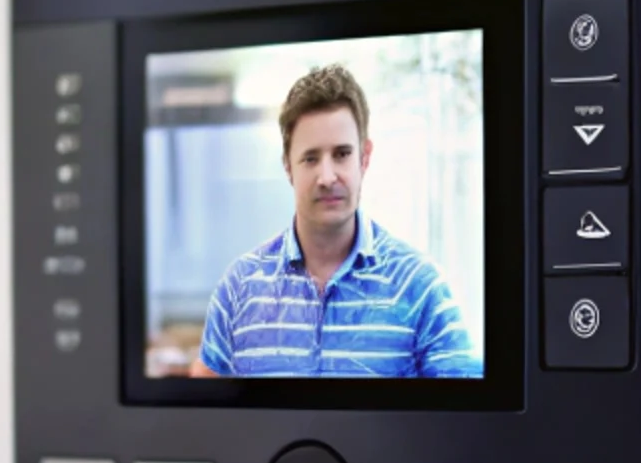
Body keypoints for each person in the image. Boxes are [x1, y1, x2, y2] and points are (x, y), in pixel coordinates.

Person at [193, 63, 480, 378]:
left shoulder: (420, 287)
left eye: (342, 154)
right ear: (288, 166)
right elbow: (201, 404)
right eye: (310, 158)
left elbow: (467, 408)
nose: (327, 177)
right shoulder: (239, 286)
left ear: (364, 158)